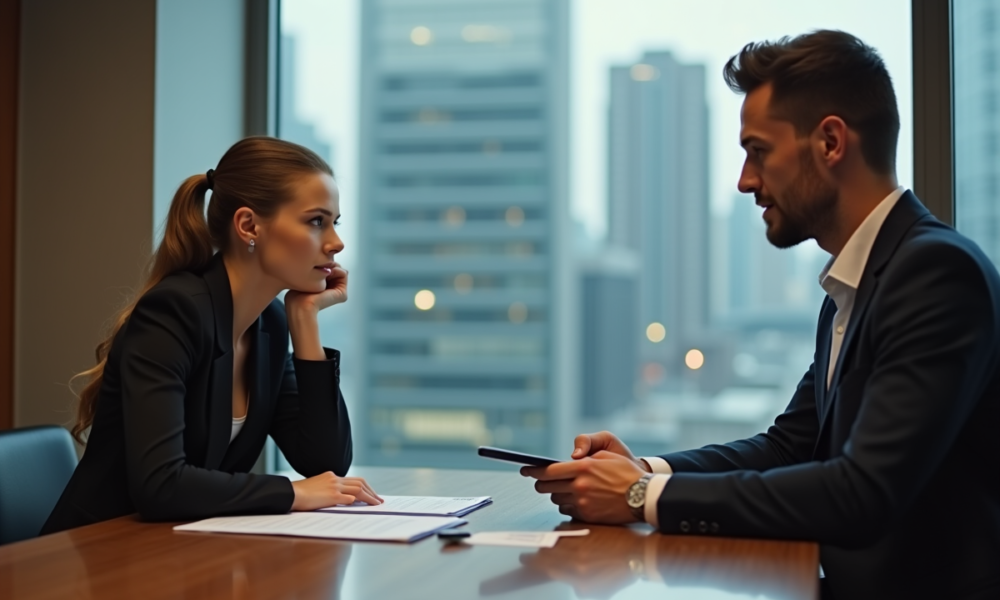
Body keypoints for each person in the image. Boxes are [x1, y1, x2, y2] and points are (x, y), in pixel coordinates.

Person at [523, 30, 1000, 600]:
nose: (745, 180)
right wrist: (645, 471)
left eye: (759, 151)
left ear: (829, 142)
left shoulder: (934, 273)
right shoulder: (856, 284)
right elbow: (788, 447)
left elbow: (861, 494)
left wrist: (637, 498)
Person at [42, 136, 381, 534]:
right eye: (316, 221)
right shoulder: (173, 313)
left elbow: (326, 462)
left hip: (174, 553)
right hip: (95, 555)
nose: (336, 242)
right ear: (249, 225)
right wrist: (292, 493)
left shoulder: (269, 323)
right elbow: (161, 485)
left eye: (334, 223)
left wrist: (304, 320)